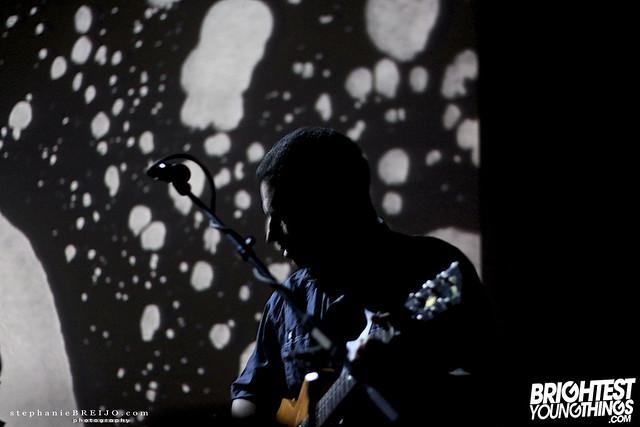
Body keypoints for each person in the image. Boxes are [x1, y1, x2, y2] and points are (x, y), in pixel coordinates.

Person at [230, 127, 498, 426]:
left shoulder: (432, 266)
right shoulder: (287, 301)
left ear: (331, 202)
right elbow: (247, 399)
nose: (270, 234)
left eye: (282, 215)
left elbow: (495, 387)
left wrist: (408, 379)